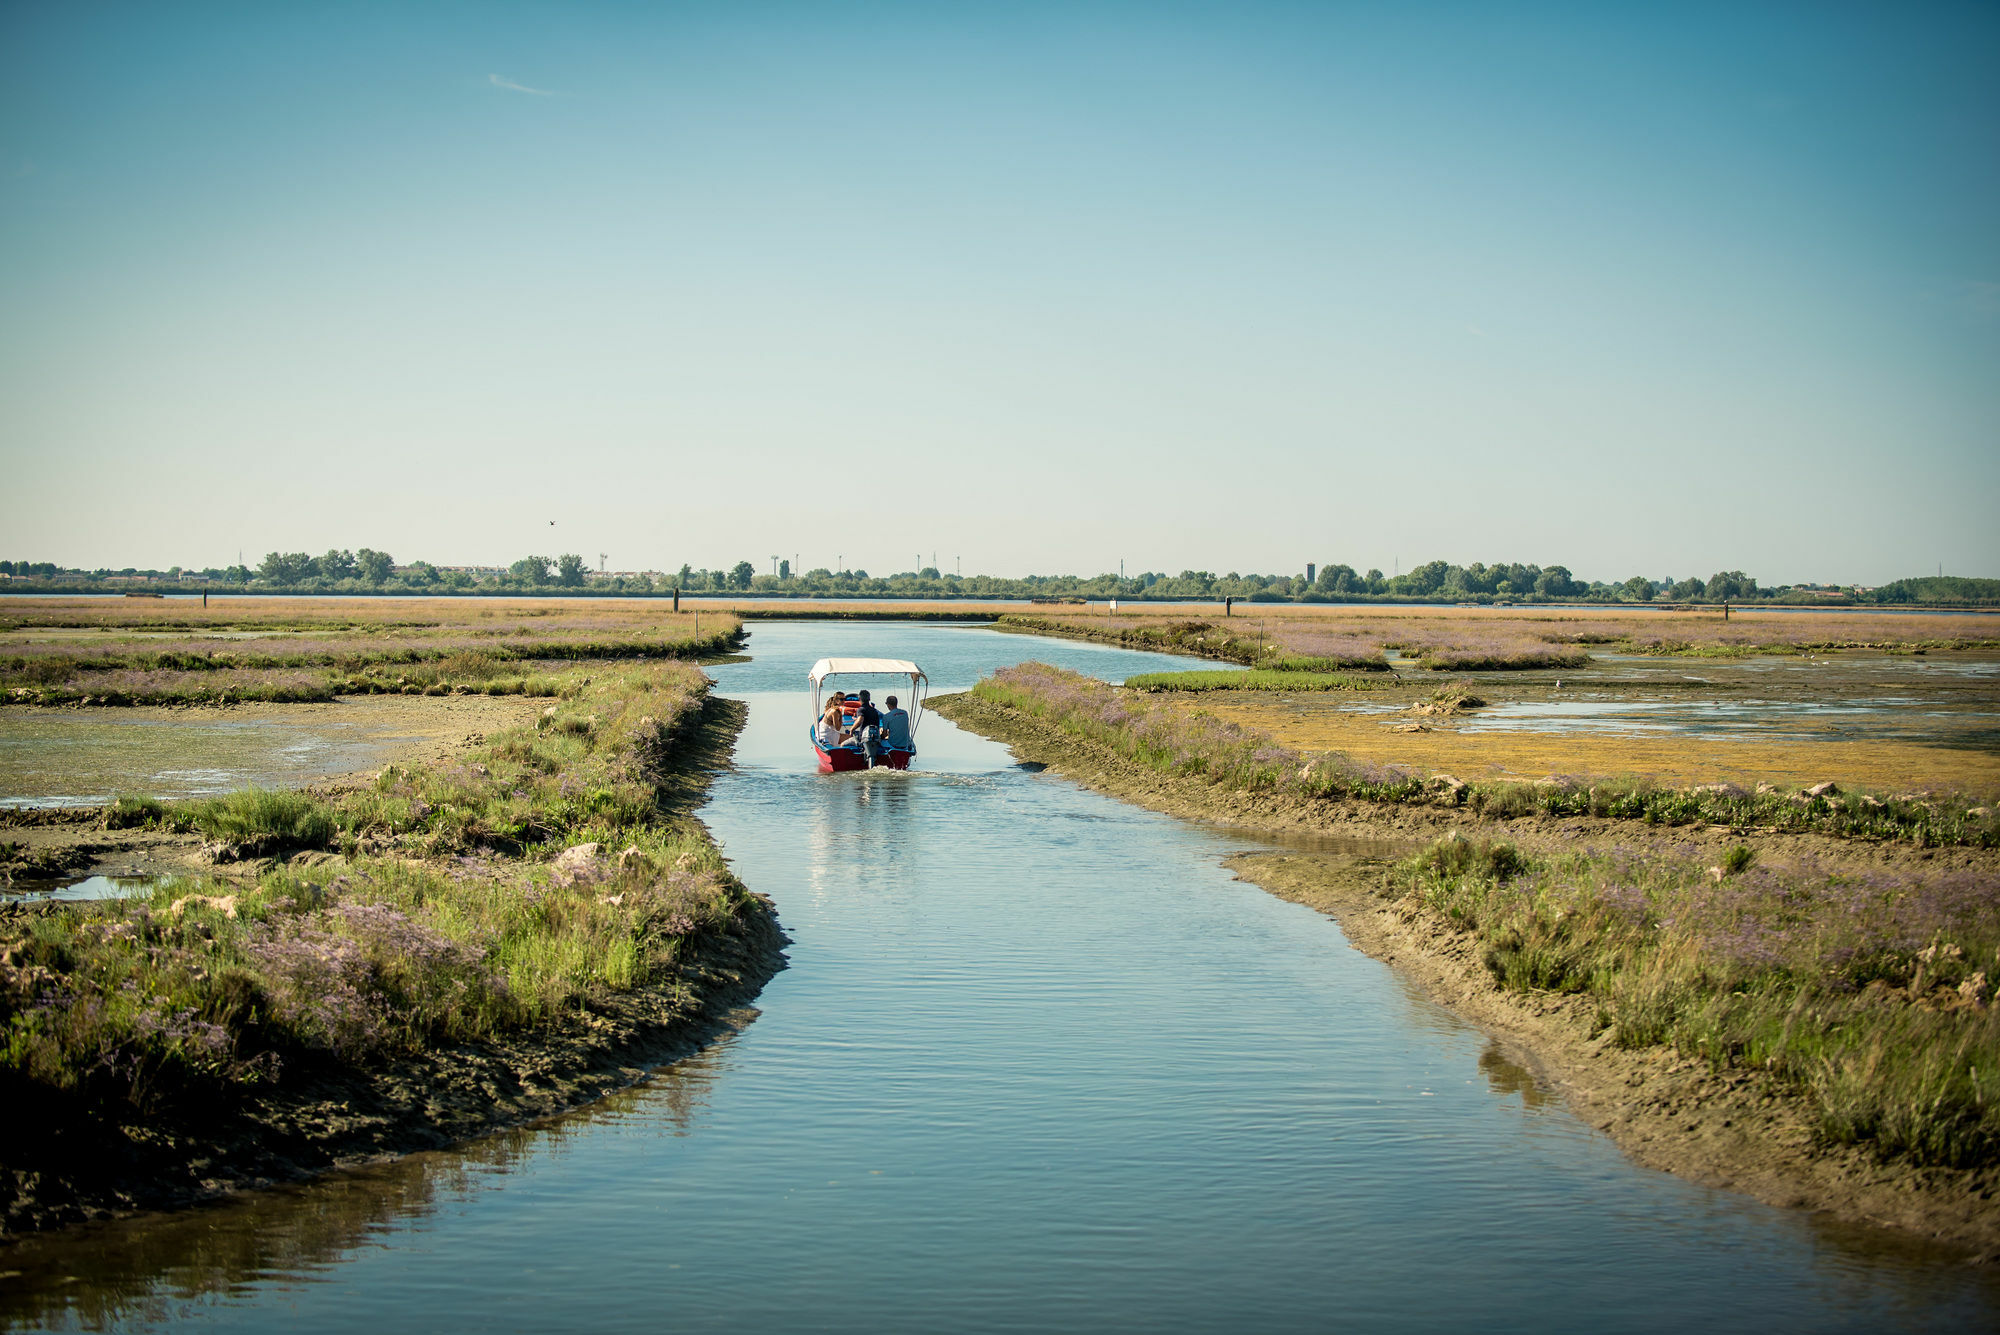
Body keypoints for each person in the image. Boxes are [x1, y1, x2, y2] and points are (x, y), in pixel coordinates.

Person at [851, 689, 883, 766]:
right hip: (875, 739)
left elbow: (860, 720)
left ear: (860, 699)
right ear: (869, 699)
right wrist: (857, 719)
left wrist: (852, 729)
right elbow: (866, 718)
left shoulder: (861, 709)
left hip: (863, 739)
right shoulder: (874, 710)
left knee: (843, 744)